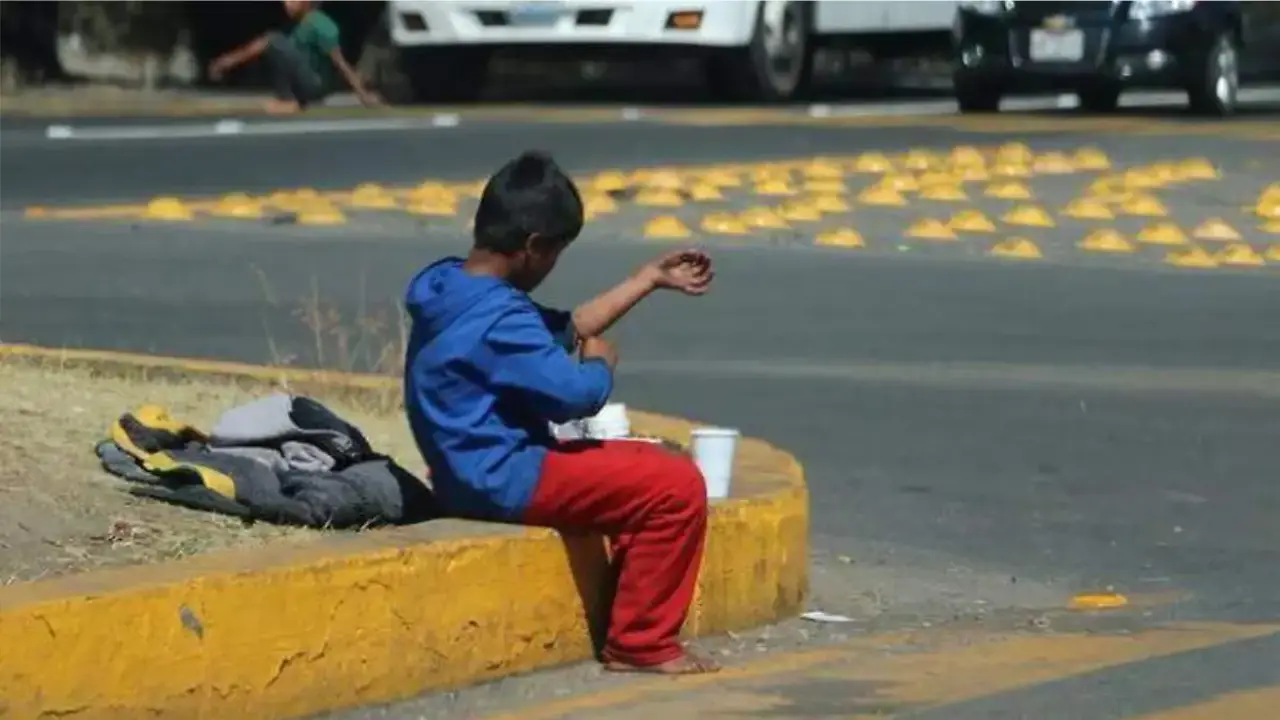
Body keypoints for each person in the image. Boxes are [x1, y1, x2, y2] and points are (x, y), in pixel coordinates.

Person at [403, 151, 720, 674]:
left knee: (638, 465)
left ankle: (631, 605)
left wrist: (645, 280)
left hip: (462, 469)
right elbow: (573, 395)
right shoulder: (499, 315)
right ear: (533, 248)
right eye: (556, 255)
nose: (553, 268)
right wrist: (600, 368)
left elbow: (563, 327)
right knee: (675, 486)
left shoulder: (449, 287)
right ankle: (641, 642)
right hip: (504, 476)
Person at [207, 0, 381, 114]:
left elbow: (341, 64)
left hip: (315, 84)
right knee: (275, 44)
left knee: (273, 41)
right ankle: (288, 99)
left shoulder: (321, 25)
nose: (287, 4)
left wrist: (363, 95)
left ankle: (289, 101)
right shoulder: (294, 25)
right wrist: (227, 61)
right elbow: (264, 49)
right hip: (303, 80)